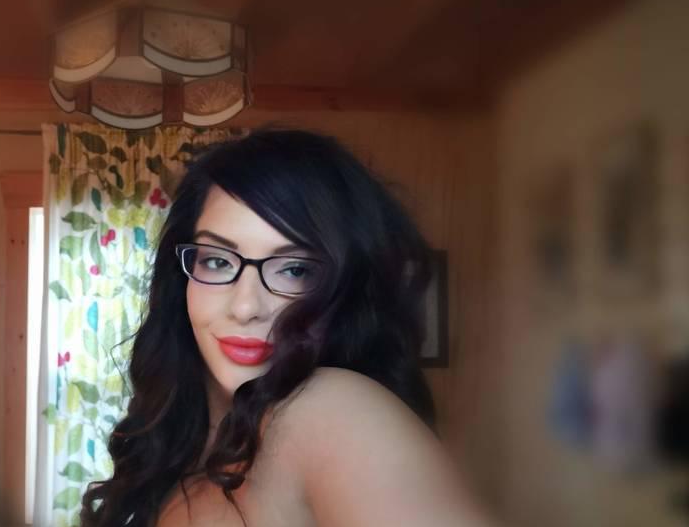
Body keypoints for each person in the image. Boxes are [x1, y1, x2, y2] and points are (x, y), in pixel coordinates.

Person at [80, 127, 495, 527]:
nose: (246, 307)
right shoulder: (178, 449)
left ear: (350, 288)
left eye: (295, 269)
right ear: (182, 277)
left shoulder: (328, 411)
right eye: (218, 261)